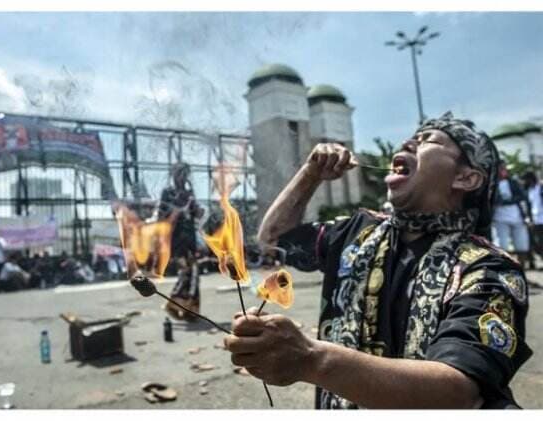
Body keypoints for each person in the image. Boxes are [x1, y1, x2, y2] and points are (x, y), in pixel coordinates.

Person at [224, 112, 532, 409]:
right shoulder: (357, 232)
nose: (407, 144)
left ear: (466, 178)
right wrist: (311, 174)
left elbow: (456, 393)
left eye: (429, 141)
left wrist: (313, 359)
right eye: (411, 137)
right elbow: (274, 239)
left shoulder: (488, 269)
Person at [158, 162, 204, 320]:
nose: (182, 177)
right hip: (176, 239)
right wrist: (176, 208)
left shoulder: (189, 193)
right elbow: (161, 217)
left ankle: (190, 310)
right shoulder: (168, 192)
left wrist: (197, 210)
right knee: (187, 271)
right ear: (173, 175)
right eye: (179, 173)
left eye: (185, 173)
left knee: (194, 273)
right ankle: (174, 304)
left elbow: (195, 215)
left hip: (190, 238)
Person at [492, 161, 531, 268]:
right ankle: (504, 269)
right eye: (501, 168)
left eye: (505, 168)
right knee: (501, 245)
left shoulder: (513, 182)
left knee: (522, 245)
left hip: (517, 217)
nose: (504, 171)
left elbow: (523, 196)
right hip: (500, 218)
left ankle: (522, 269)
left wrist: (508, 201)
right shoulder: (492, 184)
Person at [521, 171, 543, 269]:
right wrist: (529, 218)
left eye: (526, 179)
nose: (525, 182)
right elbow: (529, 206)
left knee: (540, 242)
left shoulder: (541, 187)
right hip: (535, 220)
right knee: (536, 243)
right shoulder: (528, 190)